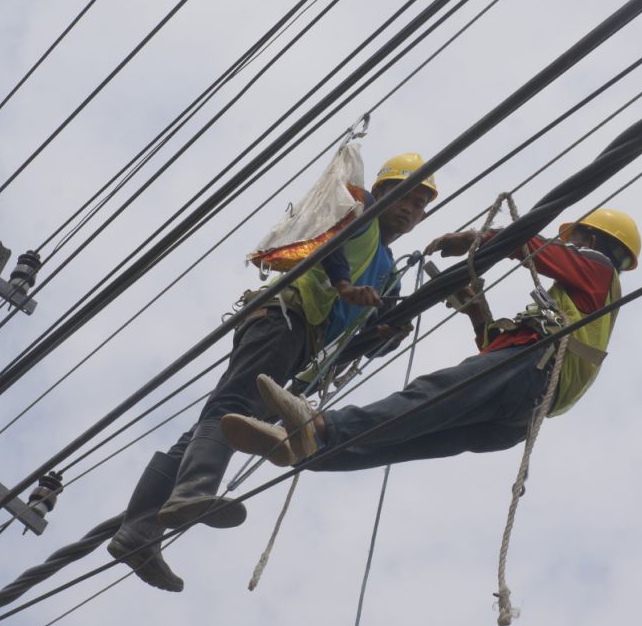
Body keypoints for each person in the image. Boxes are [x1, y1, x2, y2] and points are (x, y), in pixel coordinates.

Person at [108, 153, 438, 591]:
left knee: (210, 428)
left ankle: (139, 531)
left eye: (419, 205)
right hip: (284, 315)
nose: (410, 210)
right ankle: (192, 490)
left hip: (305, 342)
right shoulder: (360, 216)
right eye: (405, 197)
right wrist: (342, 286)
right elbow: (329, 242)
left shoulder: (388, 273)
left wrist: (387, 335)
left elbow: (356, 339)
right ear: (382, 192)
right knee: (233, 406)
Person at [219, 209, 640, 473]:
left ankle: (317, 427)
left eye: (576, 239)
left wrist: (476, 238)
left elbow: (533, 246)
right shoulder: (583, 309)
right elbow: (496, 356)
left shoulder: (598, 268)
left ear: (592, 240)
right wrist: (475, 307)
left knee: (427, 395)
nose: (571, 244)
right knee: (406, 436)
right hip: (522, 416)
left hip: (531, 371)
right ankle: (308, 452)